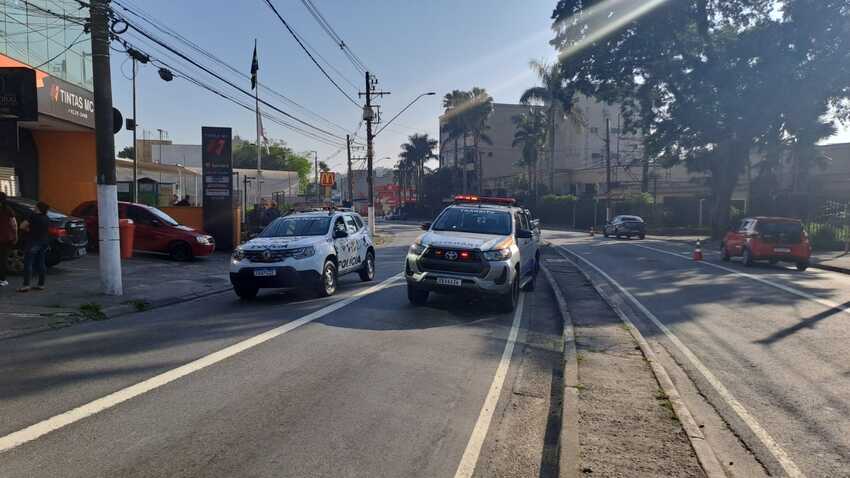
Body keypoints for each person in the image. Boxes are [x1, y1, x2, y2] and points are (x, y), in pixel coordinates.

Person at [17, 201, 50, 292]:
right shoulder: (47, 218)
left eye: (35, 207)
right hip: (44, 242)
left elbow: (22, 226)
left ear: (38, 208)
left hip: (33, 242)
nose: (34, 208)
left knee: (28, 263)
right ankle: (41, 284)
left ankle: (26, 285)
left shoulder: (33, 217)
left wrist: (29, 229)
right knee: (41, 263)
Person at [0, 192, 18, 287]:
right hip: (6, 238)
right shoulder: (8, 210)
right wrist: (15, 236)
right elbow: (14, 225)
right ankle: (2, 279)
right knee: (3, 259)